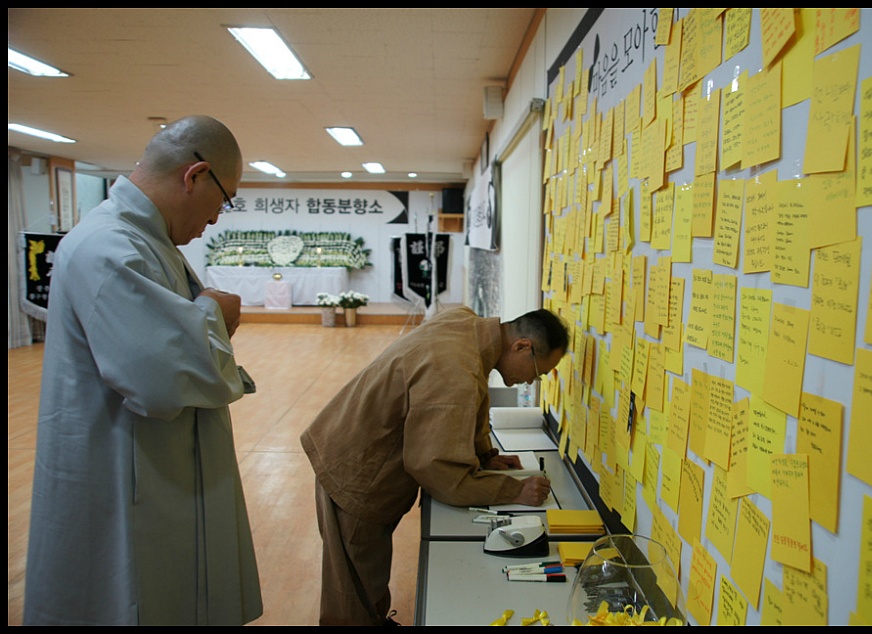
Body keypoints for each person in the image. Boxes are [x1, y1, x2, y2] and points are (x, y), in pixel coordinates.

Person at [23, 115, 263, 625]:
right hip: (121, 459)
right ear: (194, 176)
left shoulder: (149, 242)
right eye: (225, 199)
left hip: (157, 460)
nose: (218, 219)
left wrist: (203, 319)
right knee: (128, 591)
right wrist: (214, 315)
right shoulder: (108, 245)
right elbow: (157, 374)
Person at [299, 306, 570, 625]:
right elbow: (437, 470)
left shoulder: (468, 326)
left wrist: (485, 456)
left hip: (356, 445)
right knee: (352, 589)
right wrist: (516, 490)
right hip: (357, 470)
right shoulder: (456, 366)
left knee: (367, 574)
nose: (529, 381)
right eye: (536, 371)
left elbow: (469, 397)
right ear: (521, 346)